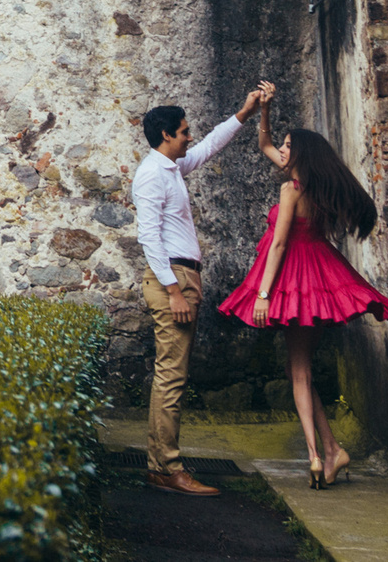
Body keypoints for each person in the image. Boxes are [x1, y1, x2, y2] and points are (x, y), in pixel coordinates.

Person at [217, 120, 388, 488]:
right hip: (319, 275)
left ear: (299, 153)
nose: (281, 150)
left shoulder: (291, 190)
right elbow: (264, 142)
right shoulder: (319, 189)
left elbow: (281, 243)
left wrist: (264, 295)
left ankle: (316, 455)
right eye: (282, 145)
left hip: (294, 279)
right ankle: (332, 450)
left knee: (299, 370)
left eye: (287, 146)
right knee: (296, 369)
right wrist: (263, 111)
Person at [132, 81, 275, 497]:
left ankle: (164, 464)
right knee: (171, 377)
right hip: (171, 279)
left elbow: (211, 145)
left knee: (173, 376)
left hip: (181, 276)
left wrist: (245, 111)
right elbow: (149, 238)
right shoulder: (150, 176)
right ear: (166, 135)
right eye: (184, 130)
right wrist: (174, 290)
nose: (190, 136)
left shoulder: (172, 167)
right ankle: (165, 468)